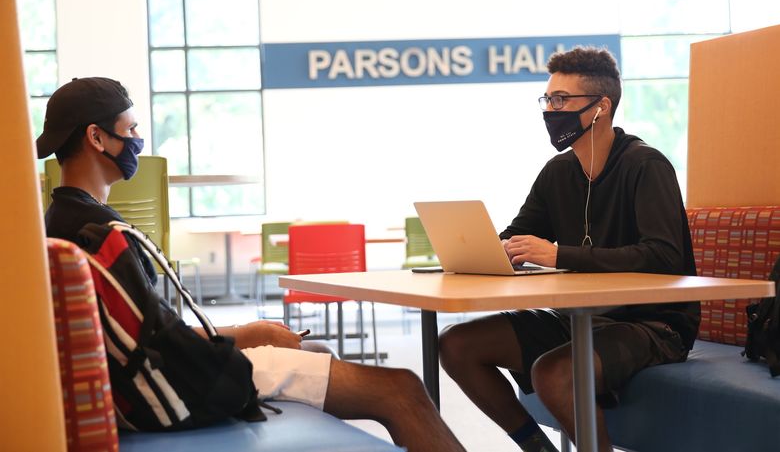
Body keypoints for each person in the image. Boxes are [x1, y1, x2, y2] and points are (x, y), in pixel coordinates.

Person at [38, 77, 466, 452]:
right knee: (403, 389)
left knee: (316, 352)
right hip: (174, 392)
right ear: (96, 138)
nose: (137, 140)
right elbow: (162, 347)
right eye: (130, 129)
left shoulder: (62, 220)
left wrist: (251, 334)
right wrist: (247, 335)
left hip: (139, 390)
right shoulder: (102, 233)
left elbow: (144, 333)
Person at [438, 47, 700, 452]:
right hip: (577, 318)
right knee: (455, 343)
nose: (550, 110)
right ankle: (537, 447)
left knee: (555, 372)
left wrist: (559, 255)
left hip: (654, 325)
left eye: (561, 100)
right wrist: (483, 249)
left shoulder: (647, 166)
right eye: (547, 100)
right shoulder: (557, 171)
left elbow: (663, 257)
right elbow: (520, 234)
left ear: (601, 107)